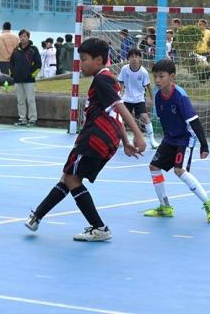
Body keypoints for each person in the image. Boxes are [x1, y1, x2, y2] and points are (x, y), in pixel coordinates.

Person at [24, 38, 147, 242]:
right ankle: (37, 217)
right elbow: (113, 113)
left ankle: (99, 227)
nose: (81, 64)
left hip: (94, 138)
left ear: (98, 60)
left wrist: (138, 135)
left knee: (72, 179)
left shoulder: (102, 79)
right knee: (68, 176)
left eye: (84, 59)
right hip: (106, 139)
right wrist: (125, 141)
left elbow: (120, 107)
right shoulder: (107, 79)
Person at [143, 58, 210, 223]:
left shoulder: (180, 96)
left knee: (179, 170)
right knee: (154, 166)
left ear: (172, 77)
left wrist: (204, 145)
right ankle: (165, 207)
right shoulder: (158, 96)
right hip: (170, 138)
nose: (157, 80)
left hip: (185, 139)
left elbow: (194, 122)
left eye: (161, 76)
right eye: (155, 76)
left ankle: (209, 202)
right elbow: (165, 121)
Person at [118, 48, 160, 149]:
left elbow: (149, 86)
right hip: (126, 98)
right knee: (120, 119)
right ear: (128, 58)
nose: (134, 59)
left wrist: (152, 100)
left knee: (145, 117)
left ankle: (152, 140)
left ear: (140, 58)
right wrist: (119, 94)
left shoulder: (143, 72)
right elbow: (121, 83)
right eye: (132, 57)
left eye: (136, 57)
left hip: (139, 99)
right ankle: (120, 139)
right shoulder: (124, 69)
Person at [9, 29, 41, 126]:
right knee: (20, 101)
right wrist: (13, 75)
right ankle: (22, 119)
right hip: (18, 80)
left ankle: (32, 119)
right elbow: (11, 64)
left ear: (28, 37)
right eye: (21, 36)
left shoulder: (33, 50)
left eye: (25, 36)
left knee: (30, 100)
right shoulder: (16, 50)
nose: (22, 38)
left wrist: (31, 75)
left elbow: (38, 65)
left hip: (29, 81)